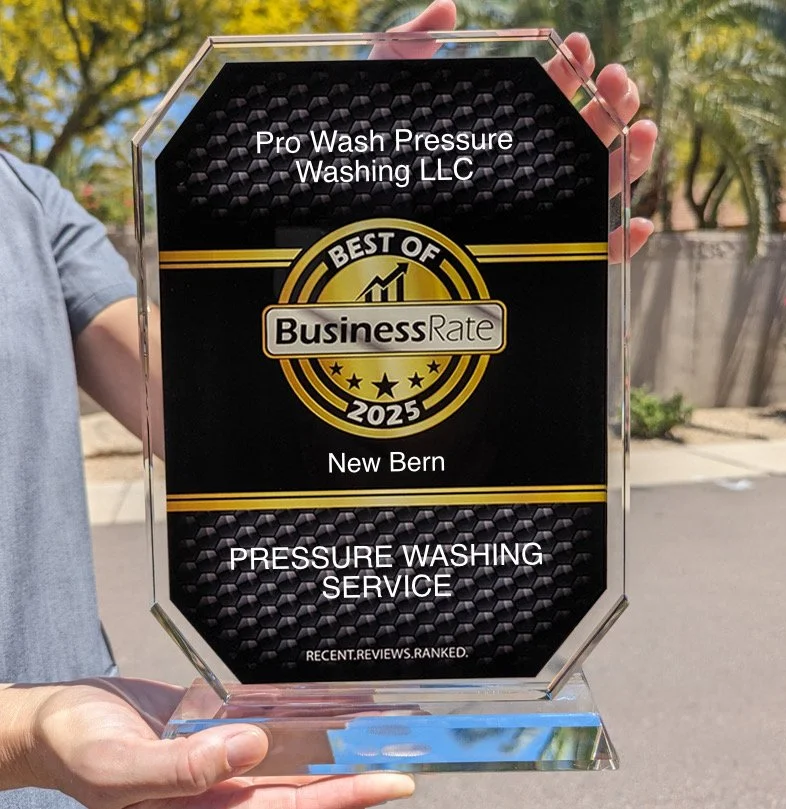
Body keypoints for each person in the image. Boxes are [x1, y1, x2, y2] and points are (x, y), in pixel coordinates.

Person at [0, 1, 657, 807]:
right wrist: (22, 733)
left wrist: (362, 214)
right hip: (71, 752)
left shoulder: (29, 199)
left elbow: (216, 419)